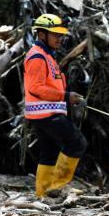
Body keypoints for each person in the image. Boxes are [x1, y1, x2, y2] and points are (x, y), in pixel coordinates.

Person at [24, 13, 87, 197]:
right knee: (77, 142)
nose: (60, 38)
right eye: (56, 35)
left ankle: (42, 193)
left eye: (60, 35)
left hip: (44, 114)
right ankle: (57, 187)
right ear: (42, 34)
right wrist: (66, 96)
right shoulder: (37, 57)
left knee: (49, 152)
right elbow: (35, 88)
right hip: (46, 115)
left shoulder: (46, 55)